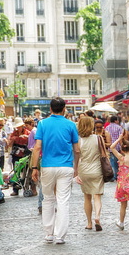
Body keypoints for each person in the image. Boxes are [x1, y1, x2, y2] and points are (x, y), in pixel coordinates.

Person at [31, 97, 80, 244]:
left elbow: (37, 147)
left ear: (50, 109)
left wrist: (34, 167)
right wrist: (76, 167)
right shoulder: (71, 125)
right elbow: (77, 150)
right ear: (64, 109)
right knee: (63, 200)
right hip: (65, 166)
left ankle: (48, 233)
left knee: (48, 199)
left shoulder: (43, 123)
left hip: (47, 166)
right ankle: (60, 236)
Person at [75, 117, 104, 231]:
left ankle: (89, 223)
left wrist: (76, 172)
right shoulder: (98, 138)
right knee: (97, 196)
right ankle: (97, 217)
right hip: (97, 169)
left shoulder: (79, 140)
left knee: (87, 197)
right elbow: (103, 154)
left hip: (84, 170)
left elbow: (77, 156)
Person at [9, 117, 31, 196]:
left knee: (26, 171)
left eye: (19, 126)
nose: (18, 128)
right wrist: (13, 139)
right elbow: (9, 144)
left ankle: (26, 187)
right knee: (16, 171)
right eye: (17, 127)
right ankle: (15, 189)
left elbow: (32, 142)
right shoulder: (13, 133)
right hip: (16, 154)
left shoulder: (28, 132)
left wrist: (26, 137)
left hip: (25, 154)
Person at [106, 115, 124, 181]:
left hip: (110, 146)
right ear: (115, 120)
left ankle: (112, 175)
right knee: (117, 162)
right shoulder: (119, 127)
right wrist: (121, 146)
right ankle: (116, 175)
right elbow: (120, 138)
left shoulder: (107, 127)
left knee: (111, 161)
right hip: (117, 146)